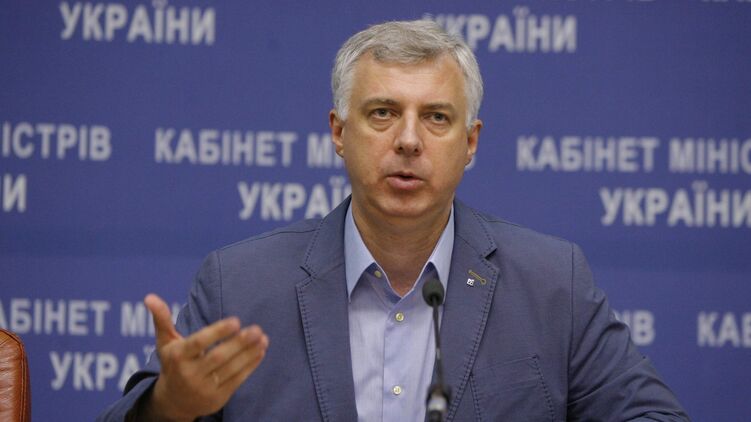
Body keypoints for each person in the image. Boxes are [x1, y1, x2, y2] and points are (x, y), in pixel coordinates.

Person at [99, 20, 688, 421]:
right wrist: (170, 407)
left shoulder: (552, 282)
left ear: (471, 142)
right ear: (338, 132)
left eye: (436, 117)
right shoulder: (240, 285)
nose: (408, 139)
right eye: (382, 113)